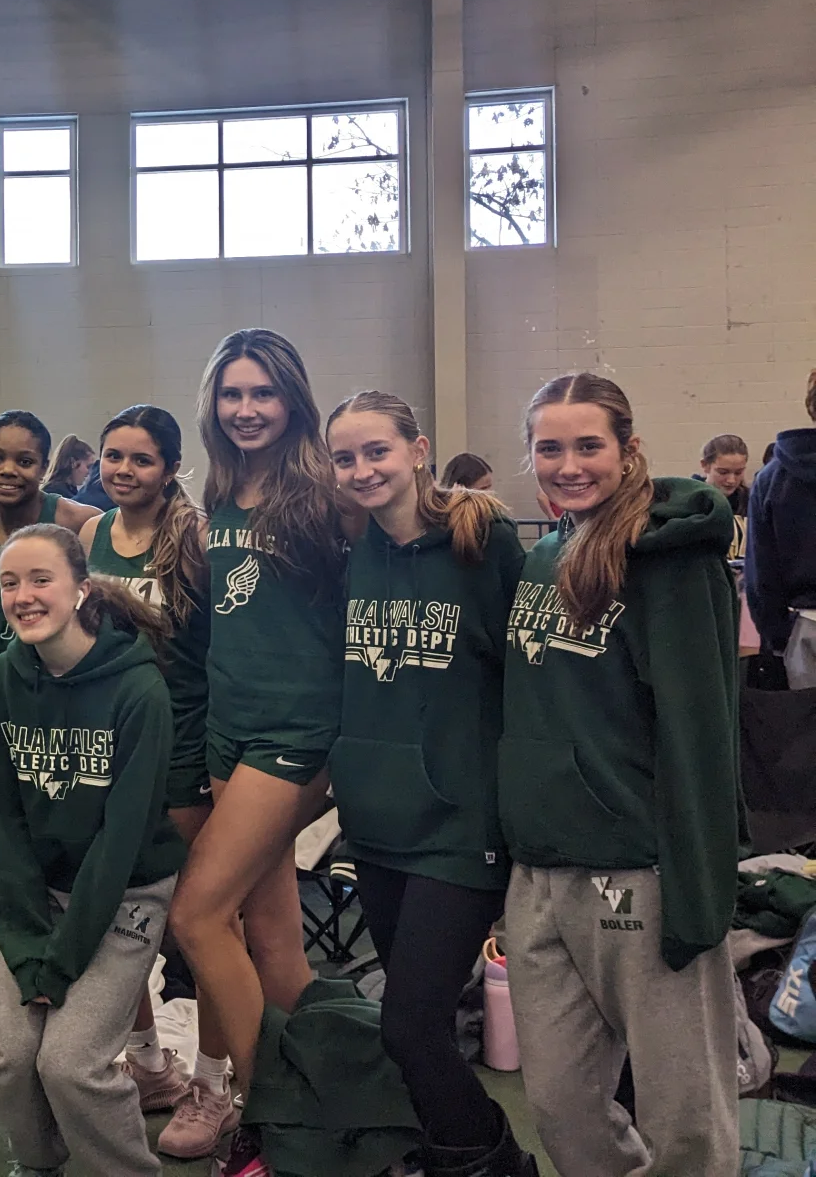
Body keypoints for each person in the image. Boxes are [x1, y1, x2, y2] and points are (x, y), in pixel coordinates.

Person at [504, 372, 741, 1176]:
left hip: (640, 867)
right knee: (560, 1107)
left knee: (684, 1113)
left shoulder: (671, 563)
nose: (569, 464)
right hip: (540, 870)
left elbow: (702, 732)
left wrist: (701, 889)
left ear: (629, 448)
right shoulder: (542, 554)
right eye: (549, 447)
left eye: (588, 445)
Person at [326, 391, 534, 1177]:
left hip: (461, 827)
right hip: (376, 823)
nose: (361, 469)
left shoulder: (485, 542)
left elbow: (533, 680)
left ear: (417, 449)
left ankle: (486, 1163)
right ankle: (468, 1151)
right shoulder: (352, 551)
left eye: (376, 450)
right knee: (421, 1026)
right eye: (345, 458)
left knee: (407, 1025)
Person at [163, 329, 347, 1163]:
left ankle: (272, 1114)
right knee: (274, 941)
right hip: (229, 735)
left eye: (262, 394)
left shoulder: (325, 493)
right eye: (232, 394)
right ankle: (329, 1102)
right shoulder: (222, 493)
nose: (246, 409)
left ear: (292, 401)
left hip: (296, 736)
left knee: (198, 915)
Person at [0, 525, 184, 1177]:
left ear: (80, 590)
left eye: (41, 580)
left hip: (123, 895)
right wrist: (26, 938)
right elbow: (4, 824)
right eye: (10, 583)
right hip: (40, 894)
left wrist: (59, 962)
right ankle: (39, 1165)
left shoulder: (137, 690)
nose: (24, 596)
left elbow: (121, 842)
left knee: (69, 1064)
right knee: (10, 1059)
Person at [77, 405, 213, 1113]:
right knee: (113, 911)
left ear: (170, 468)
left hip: (182, 742)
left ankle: (220, 1080)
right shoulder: (92, 531)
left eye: (140, 460)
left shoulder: (192, 537)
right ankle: (150, 1062)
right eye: (113, 457)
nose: (123, 471)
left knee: (195, 922)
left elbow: (218, 646)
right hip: (111, 746)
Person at [0, 412, 101, 649]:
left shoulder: (80, 522)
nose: (7, 469)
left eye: (25, 462)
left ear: (44, 469)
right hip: (9, 678)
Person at [748, 373, 816, 685]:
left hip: (804, 628)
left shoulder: (771, 477)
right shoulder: (771, 477)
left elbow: (761, 571)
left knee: (805, 730)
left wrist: (776, 636)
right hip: (802, 625)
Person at [697, 434, 750, 559]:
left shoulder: (752, 501)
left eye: (738, 472)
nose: (731, 480)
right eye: (723, 472)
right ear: (705, 465)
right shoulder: (691, 502)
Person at [43, 435, 95, 500]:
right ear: (73, 462)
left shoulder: (70, 490)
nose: (89, 472)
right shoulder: (55, 494)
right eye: (88, 466)